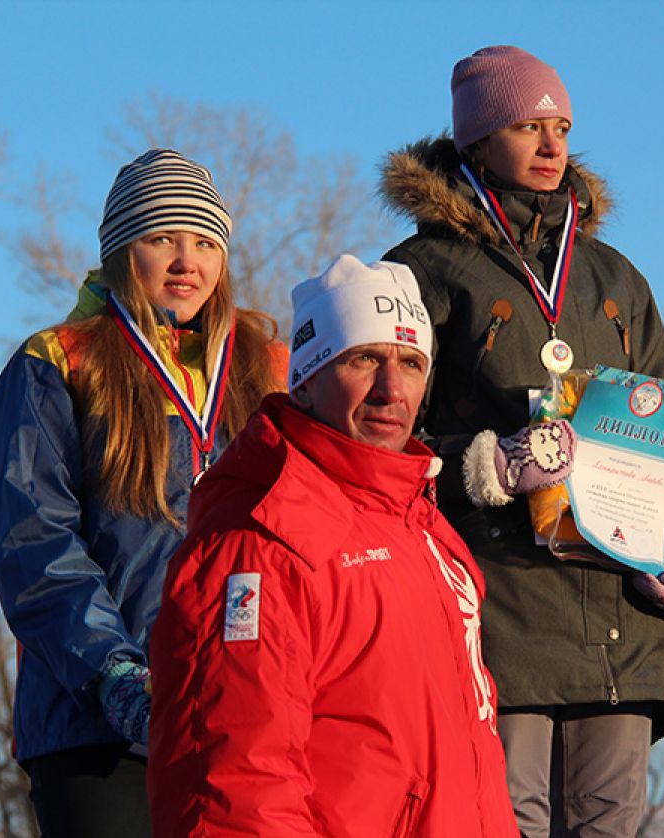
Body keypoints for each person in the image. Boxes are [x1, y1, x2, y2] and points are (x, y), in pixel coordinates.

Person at [379, 45, 664, 836]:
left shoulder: (615, 279)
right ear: (476, 140)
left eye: (562, 127)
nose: (551, 144)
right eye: (527, 126)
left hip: (622, 618)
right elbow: (382, 439)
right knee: (506, 822)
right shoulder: (422, 271)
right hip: (499, 607)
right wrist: (489, 465)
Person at [146, 254, 522, 836]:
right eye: (363, 358)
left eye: (412, 363)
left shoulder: (427, 532)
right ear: (305, 379)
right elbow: (238, 786)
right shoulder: (262, 541)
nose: (391, 389)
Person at [0, 149, 287, 837]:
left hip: (244, 717)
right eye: (161, 238)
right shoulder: (58, 361)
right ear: (122, 250)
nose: (187, 261)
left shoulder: (270, 368)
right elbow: (32, 538)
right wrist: (111, 673)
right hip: (98, 725)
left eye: (205, 242)